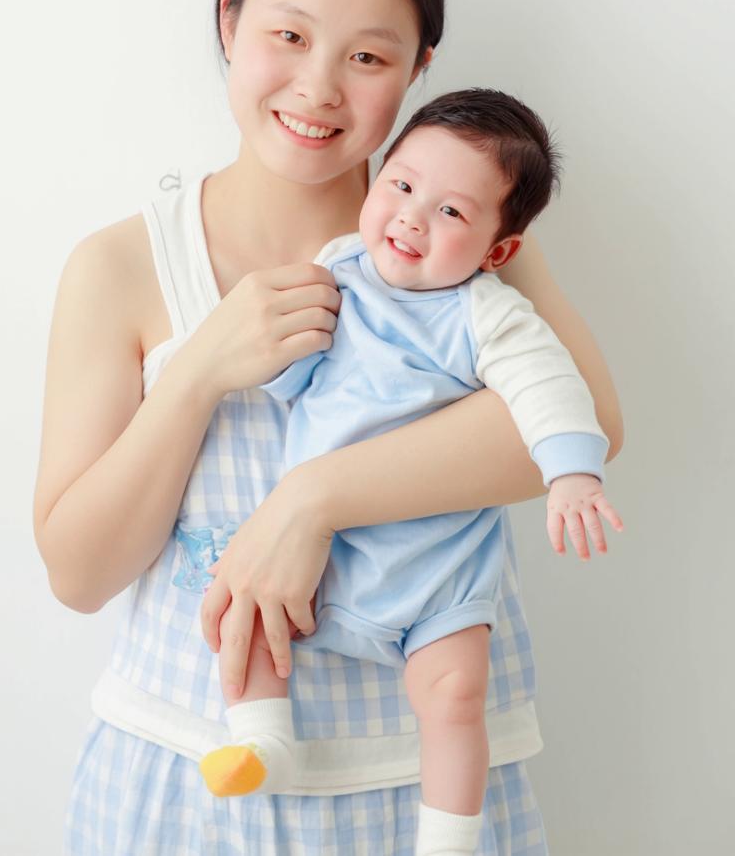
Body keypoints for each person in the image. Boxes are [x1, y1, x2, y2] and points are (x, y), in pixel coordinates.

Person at [33, 0, 623, 855]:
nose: (317, 88)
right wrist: (199, 370)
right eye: (289, 35)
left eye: (367, 57)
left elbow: (583, 424)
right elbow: (79, 570)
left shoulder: (460, 242)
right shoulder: (124, 265)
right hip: (188, 782)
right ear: (229, 21)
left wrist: (307, 501)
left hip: (424, 795)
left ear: (418, 69)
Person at [198, 89, 623, 854]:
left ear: (497, 252)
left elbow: (550, 386)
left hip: (438, 572)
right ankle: (263, 740)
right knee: (248, 611)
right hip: (318, 555)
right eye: (400, 185)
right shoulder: (337, 270)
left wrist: (572, 473)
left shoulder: (487, 313)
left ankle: (449, 834)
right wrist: (271, 360)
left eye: (451, 211)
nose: (412, 218)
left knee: (456, 694)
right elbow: (294, 373)